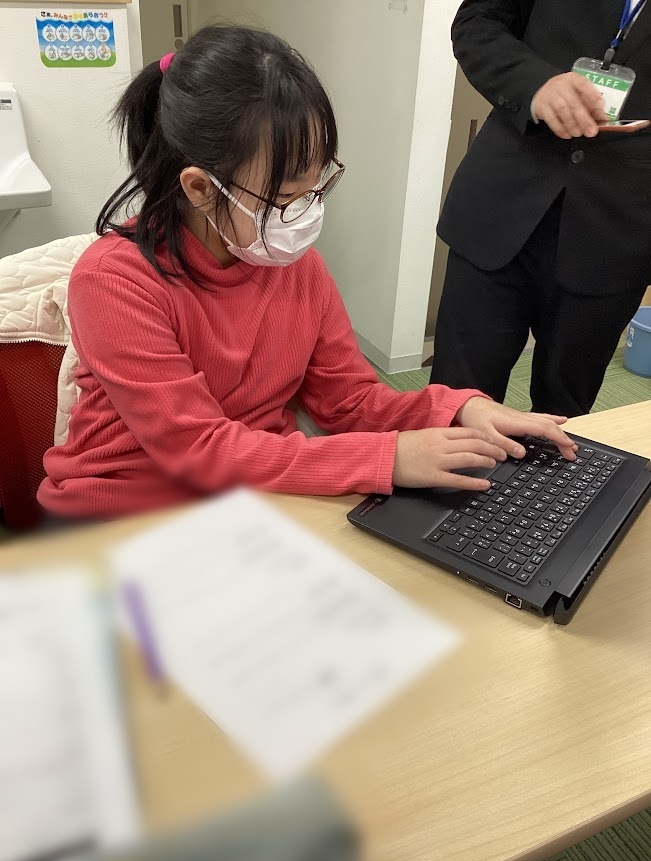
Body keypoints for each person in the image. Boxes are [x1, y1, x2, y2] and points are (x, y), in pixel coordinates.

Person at [38, 25, 577, 521]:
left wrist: (458, 409)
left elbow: (348, 401)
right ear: (200, 188)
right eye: (285, 196)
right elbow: (197, 449)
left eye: (317, 186)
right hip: (123, 510)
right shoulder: (115, 281)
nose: (304, 214)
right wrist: (388, 457)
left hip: (253, 497)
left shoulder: (296, 267)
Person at [430, 0, 651, 417]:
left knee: (565, 416)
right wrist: (535, 84)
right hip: (500, 202)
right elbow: (478, 21)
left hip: (622, 226)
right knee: (457, 404)